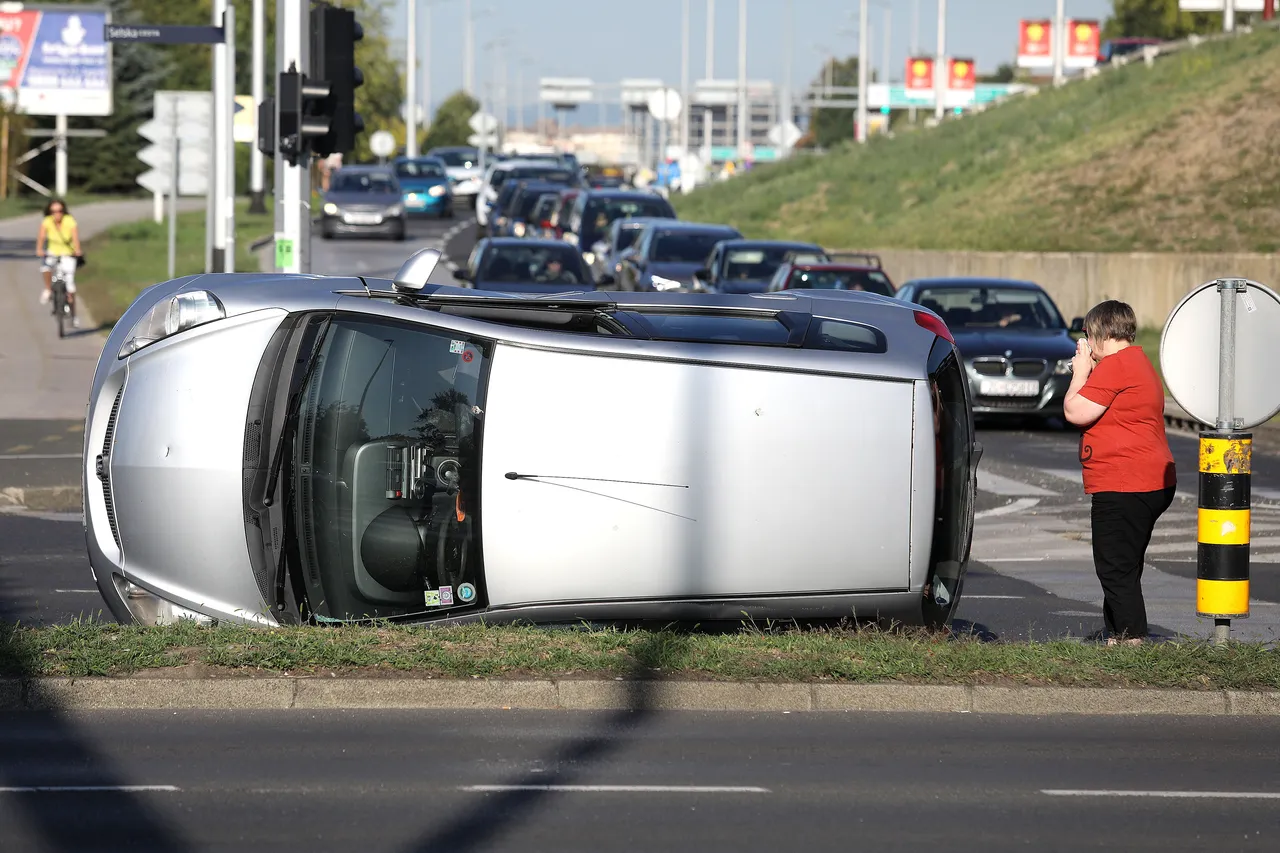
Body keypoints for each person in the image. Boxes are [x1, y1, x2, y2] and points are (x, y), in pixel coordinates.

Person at [1063, 300, 1176, 645]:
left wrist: (1081, 371)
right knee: (1124, 564)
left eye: (1088, 336)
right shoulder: (1136, 362)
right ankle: (1117, 632)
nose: (1088, 346)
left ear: (1103, 331)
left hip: (1126, 482)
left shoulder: (1116, 365)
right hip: (1148, 479)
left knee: (1114, 566)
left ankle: (1131, 639)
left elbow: (1074, 410)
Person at [35, 199, 82, 327]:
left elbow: (75, 237)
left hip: (68, 253)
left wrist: (77, 250)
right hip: (52, 252)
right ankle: (48, 289)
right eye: (53, 211)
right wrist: (39, 249)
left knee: (70, 286)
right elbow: (41, 237)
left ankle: (73, 315)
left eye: (60, 211)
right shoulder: (47, 221)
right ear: (49, 212)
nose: (57, 214)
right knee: (45, 268)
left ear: (64, 211)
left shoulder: (69, 221)